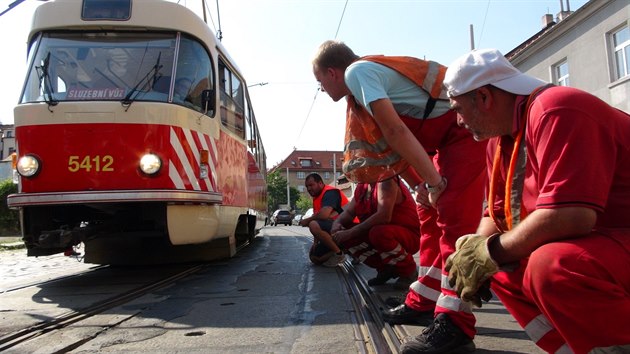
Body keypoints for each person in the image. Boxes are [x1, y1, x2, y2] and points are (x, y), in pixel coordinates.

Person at [433, 48, 630, 354]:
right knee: (499, 265)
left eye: (458, 109)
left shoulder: (556, 110)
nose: (458, 121)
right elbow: (495, 215)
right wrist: (475, 251)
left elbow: (572, 215)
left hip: (614, 237)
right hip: (610, 243)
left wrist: (490, 251)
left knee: (551, 266)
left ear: (484, 98)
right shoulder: (499, 139)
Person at [312, 40, 487, 350]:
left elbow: (395, 131)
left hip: (461, 136)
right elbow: (392, 149)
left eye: (320, 82)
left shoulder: (357, 73)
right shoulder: (360, 91)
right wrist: (421, 186)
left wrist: (433, 184)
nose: (321, 90)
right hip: (443, 143)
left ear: (332, 72)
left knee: (452, 221)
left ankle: (456, 326)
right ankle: (424, 301)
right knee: (431, 217)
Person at [331, 177, 420, 289]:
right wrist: (337, 223)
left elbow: (383, 216)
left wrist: (350, 233)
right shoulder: (362, 187)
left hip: (408, 236)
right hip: (383, 234)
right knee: (345, 233)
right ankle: (386, 269)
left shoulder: (386, 180)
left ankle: (409, 271)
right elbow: (349, 212)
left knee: (378, 233)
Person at [299, 173, 349, 267]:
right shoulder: (317, 198)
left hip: (349, 227)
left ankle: (339, 254)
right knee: (314, 257)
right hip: (335, 229)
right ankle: (345, 250)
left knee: (312, 224)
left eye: (311, 185)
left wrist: (307, 220)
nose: (309, 189)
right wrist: (315, 243)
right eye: (307, 186)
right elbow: (319, 220)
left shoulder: (330, 192)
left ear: (320, 183)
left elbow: (323, 215)